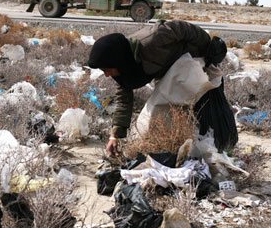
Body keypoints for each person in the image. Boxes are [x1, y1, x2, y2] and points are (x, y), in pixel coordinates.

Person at [88, 19, 236, 157]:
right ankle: (179, 148)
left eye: (107, 69)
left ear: (118, 60)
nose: (106, 75)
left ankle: (218, 147)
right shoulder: (123, 71)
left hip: (192, 63)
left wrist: (208, 48)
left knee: (206, 106)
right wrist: (115, 135)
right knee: (168, 113)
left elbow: (181, 28)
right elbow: (124, 102)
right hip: (171, 71)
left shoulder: (152, 40)